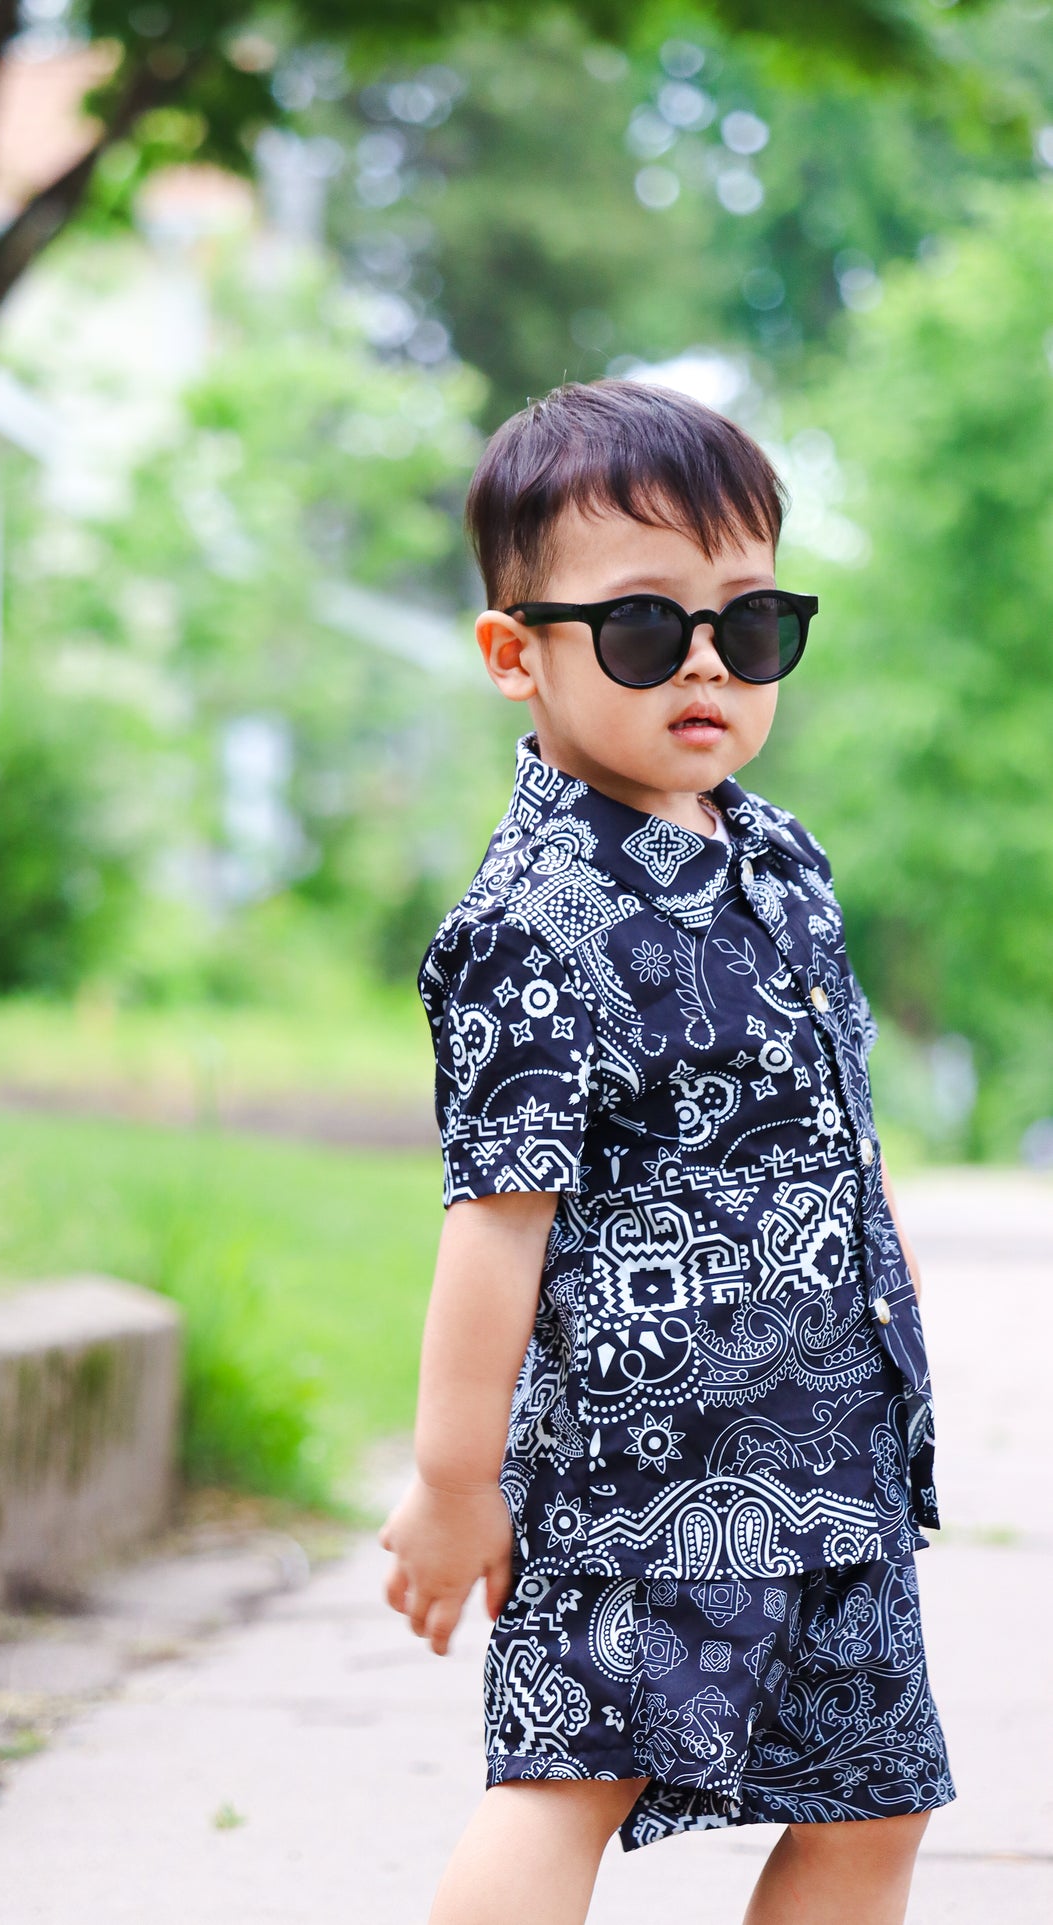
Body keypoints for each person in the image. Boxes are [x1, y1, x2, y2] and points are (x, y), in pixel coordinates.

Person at [378, 380, 952, 1925]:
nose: (703, 663)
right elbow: (495, 1219)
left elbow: (837, 1118)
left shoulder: (778, 858)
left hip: (830, 1453)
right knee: (566, 1782)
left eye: (745, 625)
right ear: (517, 654)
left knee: (872, 1804)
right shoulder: (531, 923)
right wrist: (452, 1481)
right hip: (643, 1474)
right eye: (641, 629)